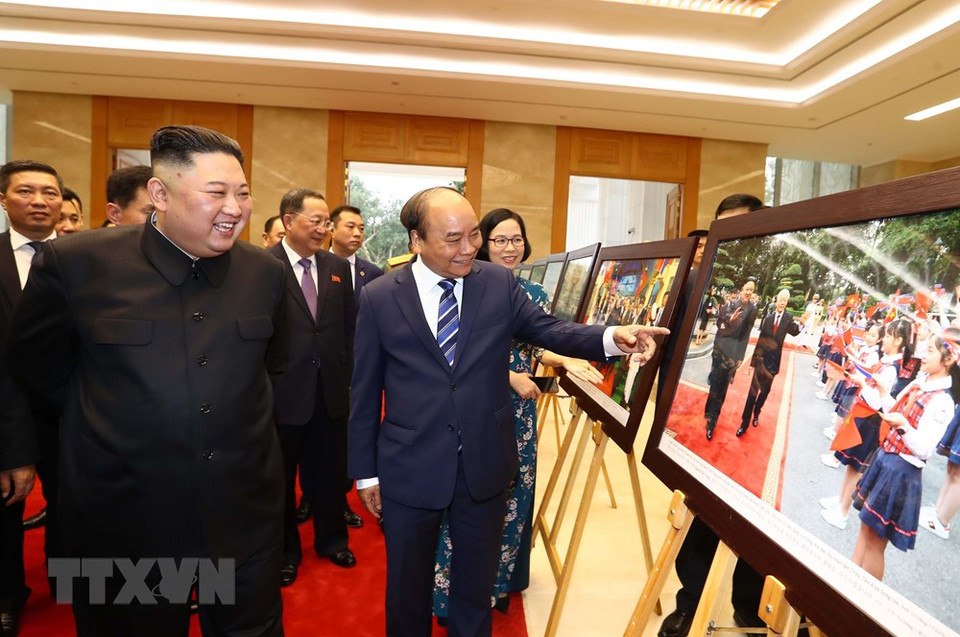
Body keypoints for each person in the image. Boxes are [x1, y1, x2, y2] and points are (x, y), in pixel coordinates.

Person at [7, 126, 288, 636]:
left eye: (243, 193)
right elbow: (34, 368)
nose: (235, 208)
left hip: (244, 515)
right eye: (216, 193)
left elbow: (272, 370)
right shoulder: (77, 263)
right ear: (159, 194)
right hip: (126, 522)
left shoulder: (264, 272)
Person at [348, 186, 666, 637]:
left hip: (484, 462)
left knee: (476, 591)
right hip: (409, 466)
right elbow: (363, 390)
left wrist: (614, 337)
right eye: (453, 238)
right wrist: (366, 473)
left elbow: (549, 329)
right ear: (417, 240)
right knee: (406, 589)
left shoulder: (497, 284)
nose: (469, 248)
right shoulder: (380, 296)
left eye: (475, 234)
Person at [432, 208, 603, 619]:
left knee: (514, 497)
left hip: (519, 415)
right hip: (473, 408)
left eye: (516, 239)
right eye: (500, 240)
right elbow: (453, 356)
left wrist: (565, 359)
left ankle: (498, 582)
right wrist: (508, 375)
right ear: (482, 243)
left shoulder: (532, 293)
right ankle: (448, 591)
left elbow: (534, 341)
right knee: (465, 498)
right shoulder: (461, 289)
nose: (510, 248)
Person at [658, 193, 767, 637]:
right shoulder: (696, 278)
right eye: (720, 225)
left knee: (757, 522)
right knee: (701, 511)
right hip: (698, 397)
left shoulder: (756, 288)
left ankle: (750, 605)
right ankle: (691, 603)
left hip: (741, 371)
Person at [269, 188, 357, 586]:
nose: (324, 229)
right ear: (289, 221)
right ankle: (286, 551)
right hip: (283, 393)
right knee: (281, 480)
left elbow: (350, 330)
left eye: (327, 222)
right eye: (316, 221)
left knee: (330, 473)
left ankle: (332, 539)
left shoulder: (338, 267)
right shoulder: (263, 266)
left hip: (331, 392)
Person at [0, 160, 63, 637]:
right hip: (6, 411)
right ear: (4, 200)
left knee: (76, 505)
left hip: (76, 413)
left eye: (49, 192)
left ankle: (71, 580)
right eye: (26, 191)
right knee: (6, 510)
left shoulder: (86, 257)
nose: (40, 200)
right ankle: (7, 596)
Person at [851, 329, 960, 580]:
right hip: (886, 460)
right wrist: (882, 393)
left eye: (930, 350)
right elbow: (895, 411)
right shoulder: (920, 383)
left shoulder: (942, 401)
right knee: (864, 531)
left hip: (902, 471)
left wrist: (902, 425)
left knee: (876, 543)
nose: (922, 353)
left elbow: (924, 449)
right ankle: (846, 583)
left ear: (948, 359)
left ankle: (865, 601)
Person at [820, 319, 911, 529]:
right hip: (863, 415)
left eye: (888, 336)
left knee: (856, 466)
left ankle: (843, 511)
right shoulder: (886, 361)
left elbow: (879, 401)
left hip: (871, 421)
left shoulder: (891, 368)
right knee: (850, 464)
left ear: (898, 340)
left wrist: (862, 383)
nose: (884, 339)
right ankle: (840, 498)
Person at [737, 289, 801, 437]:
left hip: (773, 364)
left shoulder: (788, 318)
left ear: (786, 302)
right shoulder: (769, 318)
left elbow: (795, 332)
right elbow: (760, 340)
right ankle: (744, 423)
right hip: (761, 361)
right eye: (780, 299)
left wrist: (802, 323)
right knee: (752, 393)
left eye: (785, 300)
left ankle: (757, 412)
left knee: (764, 392)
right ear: (776, 300)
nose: (782, 302)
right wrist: (752, 363)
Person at [703, 277, 757, 440]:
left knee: (722, 388)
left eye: (751, 290)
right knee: (714, 382)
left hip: (732, 355)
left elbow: (746, 334)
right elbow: (719, 324)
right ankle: (708, 411)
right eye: (746, 288)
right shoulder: (730, 305)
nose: (748, 292)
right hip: (719, 350)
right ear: (741, 289)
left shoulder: (752, 310)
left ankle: (712, 421)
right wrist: (728, 321)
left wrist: (740, 357)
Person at [329, 204, 384, 308]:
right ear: (332, 230)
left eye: (361, 229)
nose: (357, 233)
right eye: (350, 227)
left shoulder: (374, 274)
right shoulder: (314, 266)